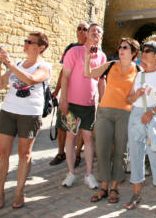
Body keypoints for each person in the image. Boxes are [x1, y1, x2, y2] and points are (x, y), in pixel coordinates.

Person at [0, 32, 52, 209]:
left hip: (30, 114)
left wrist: (9, 63)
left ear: (41, 47)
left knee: (24, 154)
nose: (25, 43)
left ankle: (19, 192)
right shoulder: (17, 64)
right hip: (8, 111)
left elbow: (31, 79)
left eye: (30, 42)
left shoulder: (45, 66)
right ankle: (0, 192)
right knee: (2, 153)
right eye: (25, 41)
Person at [85, 38, 140, 204]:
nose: (121, 49)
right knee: (102, 149)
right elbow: (88, 73)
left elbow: (137, 96)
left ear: (133, 53)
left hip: (125, 113)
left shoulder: (138, 70)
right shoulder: (110, 65)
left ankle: (114, 187)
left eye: (125, 47)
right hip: (105, 112)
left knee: (120, 151)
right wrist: (88, 57)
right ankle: (103, 186)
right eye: (120, 46)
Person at [124, 41, 156, 214]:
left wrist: (152, 112)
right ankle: (136, 195)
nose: (143, 53)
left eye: (147, 51)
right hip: (137, 115)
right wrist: (136, 95)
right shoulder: (139, 75)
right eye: (143, 51)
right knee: (135, 155)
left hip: (155, 116)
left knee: (155, 156)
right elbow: (128, 99)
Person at [60, 23, 107, 188]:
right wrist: (63, 99)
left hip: (89, 105)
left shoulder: (101, 56)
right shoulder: (75, 51)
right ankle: (71, 173)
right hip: (72, 104)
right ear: (86, 34)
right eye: (93, 30)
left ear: (101, 37)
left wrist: (103, 101)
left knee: (88, 138)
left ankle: (89, 174)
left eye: (99, 32)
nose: (96, 33)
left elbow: (102, 81)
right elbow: (65, 77)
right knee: (71, 137)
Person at [50, 22, 88, 167]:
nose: (81, 31)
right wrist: (57, 90)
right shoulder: (70, 48)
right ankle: (61, 153)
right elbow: (63, 71)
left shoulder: (92, 49)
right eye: (79, 28)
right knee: (62, 125)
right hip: (67, 93)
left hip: (82, 96)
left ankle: (77, 154)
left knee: (79, 127)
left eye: (84, 29)